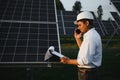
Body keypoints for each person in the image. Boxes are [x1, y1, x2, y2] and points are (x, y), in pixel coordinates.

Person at [60, 11, 102, 80]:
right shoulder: (90, 35)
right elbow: (84, 51)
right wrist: (78, 39)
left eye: (80, 25)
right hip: (88, 72)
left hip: (88, 74)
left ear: (87, 23)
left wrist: (68, 61)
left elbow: (86, 60)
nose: (78, 28)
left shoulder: (91, 37)